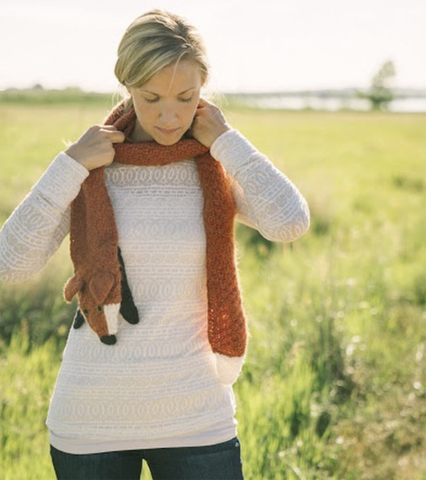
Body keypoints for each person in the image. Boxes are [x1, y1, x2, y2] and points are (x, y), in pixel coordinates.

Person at [0, 9, 310, 480]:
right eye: (152, 98)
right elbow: (10, 264)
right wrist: (66, 166)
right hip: (91, 420)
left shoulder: (215, 163)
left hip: (196, 416)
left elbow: (290, 224)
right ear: (127, 86)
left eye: (186, 97)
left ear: (204, 92)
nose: (170, 116)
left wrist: (227, 141)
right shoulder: (90, 165)